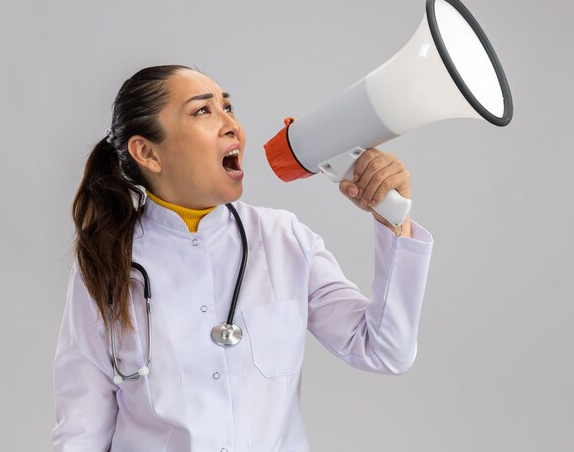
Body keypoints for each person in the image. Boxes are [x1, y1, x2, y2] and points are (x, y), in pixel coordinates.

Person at [52, 65, 434, 451]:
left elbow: (385, 350)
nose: (232, 125)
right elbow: (80, 431)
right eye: (203, 111)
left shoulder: (283, 239)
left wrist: (394, 222)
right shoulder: (108, 263)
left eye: (228, 107)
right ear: (147, 152)